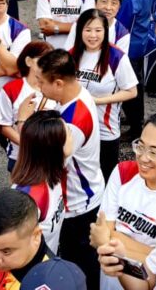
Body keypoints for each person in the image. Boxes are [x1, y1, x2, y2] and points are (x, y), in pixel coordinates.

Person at [36, 49, 104, 288]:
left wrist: (26, 121)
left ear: (58, 83)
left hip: (78, 204)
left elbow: (47, 163)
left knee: (80, 269)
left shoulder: (71, 122)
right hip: (87, 192)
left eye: (41, 82)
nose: (38, 87)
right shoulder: (78, 95)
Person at [89, 112, 156, 271]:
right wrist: (148, 253)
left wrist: (107, 240)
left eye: (154, 152)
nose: (143, 158)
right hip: (110, 273)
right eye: (141, 147)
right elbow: (102, 228)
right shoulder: (124, 172)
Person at [92, 0, 155, 139]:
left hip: (129, 46)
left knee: (128, 85)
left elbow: (121, 24)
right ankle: (135, 118)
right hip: (142, 40)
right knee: (137, 83)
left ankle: (136, 127)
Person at [71, 9, 137, 180]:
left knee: (105, 177)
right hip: (75, 127)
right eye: (88, 30)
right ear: (80, 31)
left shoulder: (116, 57)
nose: (93, 35)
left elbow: (131, 91)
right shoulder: (71, 54)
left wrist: (99, 101)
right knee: (78, 176)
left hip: (105, 129)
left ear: (106, 32)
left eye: (98, 30)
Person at [10, 110, 70, 255]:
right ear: (55, 147)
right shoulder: (29, 198)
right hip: (33, 274)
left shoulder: (54, 169)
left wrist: (22, 120)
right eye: (69, 131)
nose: (73, 134)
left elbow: (33, 139)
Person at [0, 40, 55, 170]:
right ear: (28, 61)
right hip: (19, 157)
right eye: (42, 59)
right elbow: (4, 126)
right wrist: (28, 146)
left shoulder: (56, 87)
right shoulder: (11, 89)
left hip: (50, 157)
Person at [64, 0, 131, 54]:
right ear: (95, 3)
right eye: (104, 1)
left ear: (119, 7)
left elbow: (119, 62)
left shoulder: (122, 35)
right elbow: (67, 55)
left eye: (113, 3)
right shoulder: (80, 24)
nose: (108, 7)